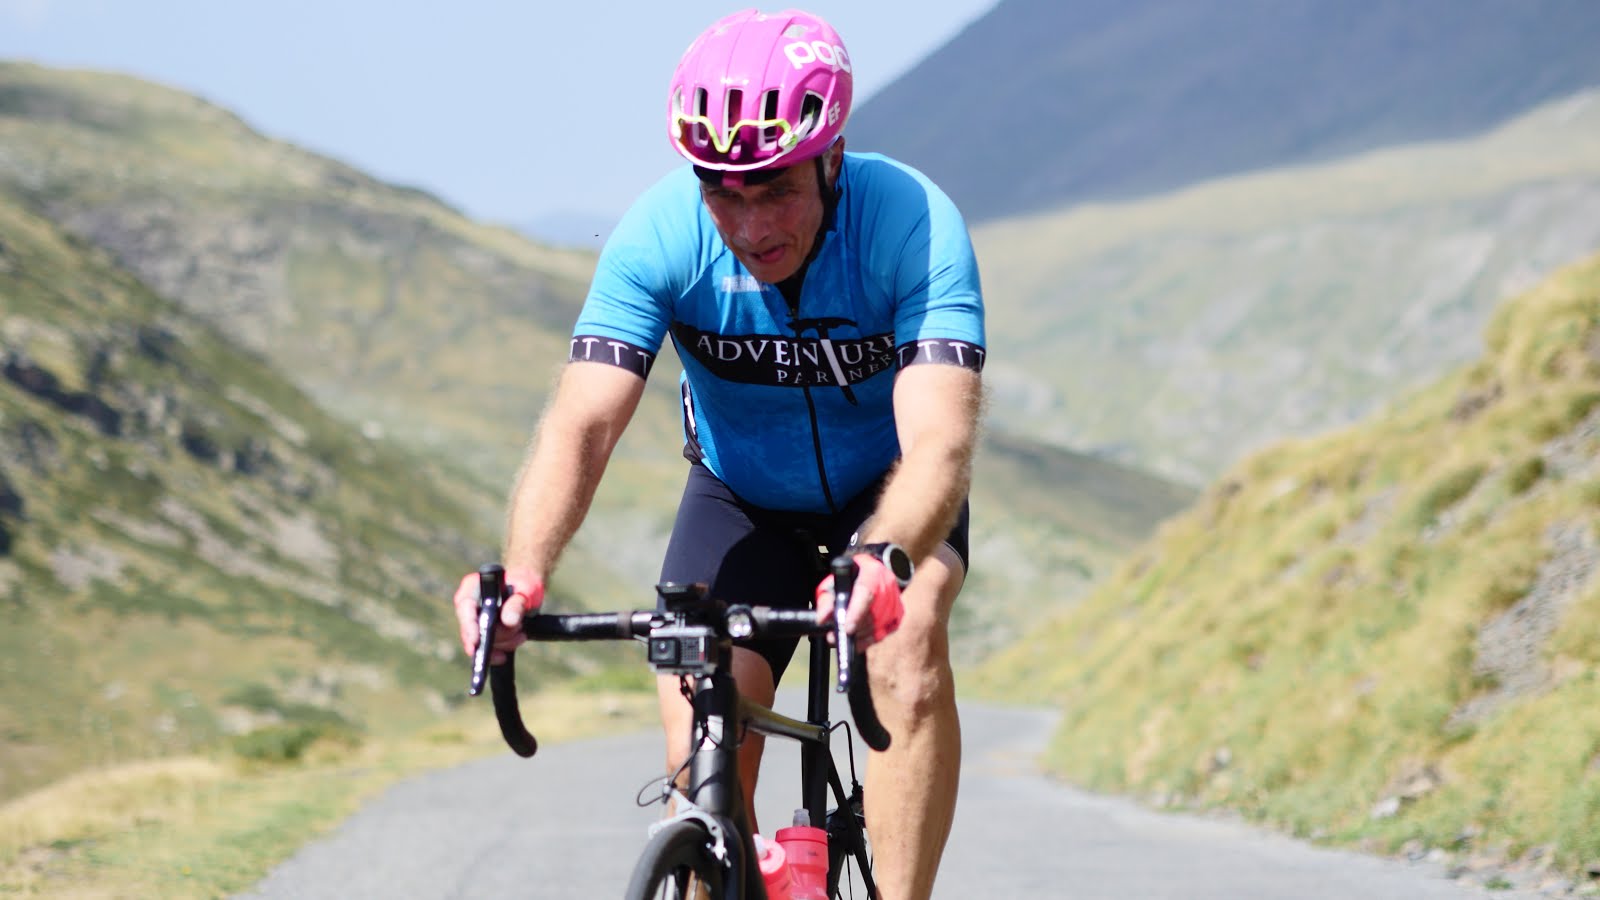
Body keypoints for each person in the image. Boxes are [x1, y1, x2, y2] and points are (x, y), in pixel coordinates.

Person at [451, 8, 985, 898]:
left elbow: (940, 441)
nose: (748, 224)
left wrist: (883, 559)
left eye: (774, 189)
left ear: (832, 157)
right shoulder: (661, 235)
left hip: (887, 497)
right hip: (743, 499)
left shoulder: (912, 224)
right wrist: (525, 575)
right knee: (704, 744)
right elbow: (583, 423)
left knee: (906, 638)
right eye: (722, 193)